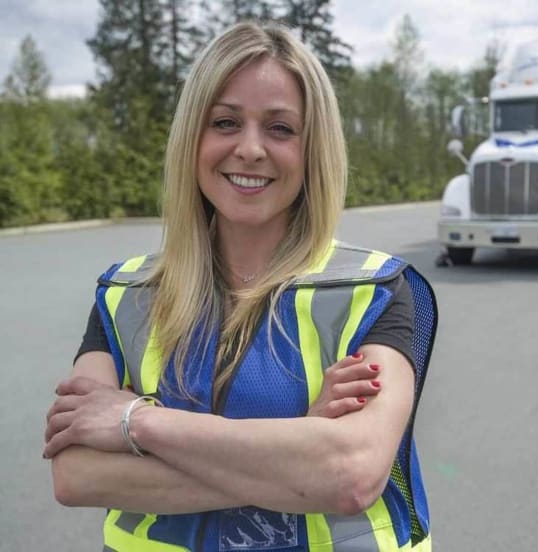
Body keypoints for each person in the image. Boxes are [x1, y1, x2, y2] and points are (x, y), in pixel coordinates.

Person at [44, 20, 437, 552]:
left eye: (280, 129)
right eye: (225, 122)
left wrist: (137, 422)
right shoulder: (124, 295)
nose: (250, 149)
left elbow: (350, 475)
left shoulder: (376, 291)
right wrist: (296, 445)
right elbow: (78, 475)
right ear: (192, 139)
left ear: (312, 148)